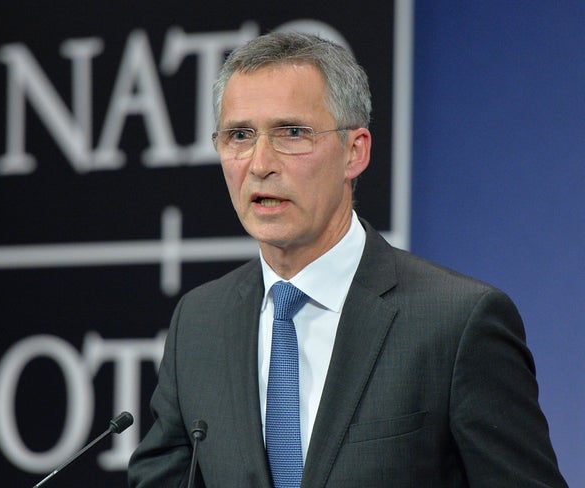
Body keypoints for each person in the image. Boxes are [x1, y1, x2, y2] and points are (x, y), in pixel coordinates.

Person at [128, 31, 567, 487]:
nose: (259, 163)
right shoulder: (199, 323)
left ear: (354, 151)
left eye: (291, 132)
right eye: (240, 135)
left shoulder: (456, 324)